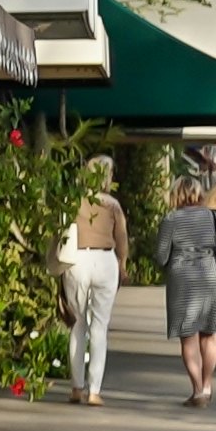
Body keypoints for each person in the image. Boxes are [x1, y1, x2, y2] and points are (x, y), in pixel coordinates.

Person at [153, 175, 216, 406]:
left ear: (176, 195)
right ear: (199, 193)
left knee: (188, 338)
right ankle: (208, 383)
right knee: (209, 335)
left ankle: (197, 390)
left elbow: (161, 257)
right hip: (211, 277)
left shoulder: (171, 219)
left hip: (182, 281)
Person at [59, 173, 128, 405]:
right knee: (100, 327)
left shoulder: (73, 201)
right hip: (105, 260)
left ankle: (76, 388)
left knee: (78, 325)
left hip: (77, 258)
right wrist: (123, 262)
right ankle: (94, 391)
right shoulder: (112, 204)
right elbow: (122, 237)